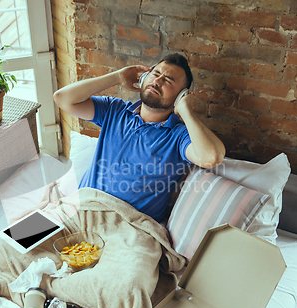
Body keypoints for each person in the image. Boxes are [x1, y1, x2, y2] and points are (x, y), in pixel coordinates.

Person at [53, 53, 225, 223]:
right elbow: (62, 98)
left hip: (128, 226)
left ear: (181, 95)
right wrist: (118, 77)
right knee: (28, 237)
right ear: (144, 78)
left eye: (168, 80)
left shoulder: (178, 136)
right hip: (80, 209)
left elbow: (212, 157)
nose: (157, 81)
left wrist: (186, 110)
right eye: (156, 74)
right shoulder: (115, 110)